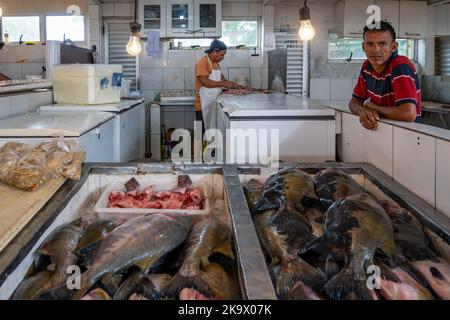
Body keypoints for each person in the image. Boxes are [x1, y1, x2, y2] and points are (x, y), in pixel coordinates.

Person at [349, 21, 422, 130]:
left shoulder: (400, 67)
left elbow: (408, 113)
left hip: (410, 134)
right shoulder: (367, 67)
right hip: (385, 132)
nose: (376, 49)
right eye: (370, 44)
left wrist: (374, 108)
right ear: (363, 47)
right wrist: (363, 110)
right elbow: (354, 103)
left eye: (382, 43)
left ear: (393, 47)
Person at [195, 39, 240, 131]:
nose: (222, 57)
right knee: (202, 133)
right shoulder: (203, 62)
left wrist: (233, 85)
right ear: (214, 52)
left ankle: (210, 145)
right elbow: (205, 82)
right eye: (221, 55)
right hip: (202, 106)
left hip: (212, 103)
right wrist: (224, 83)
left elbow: (222, 80)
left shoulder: (215, 64)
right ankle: (200, 146)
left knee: (211, 132)